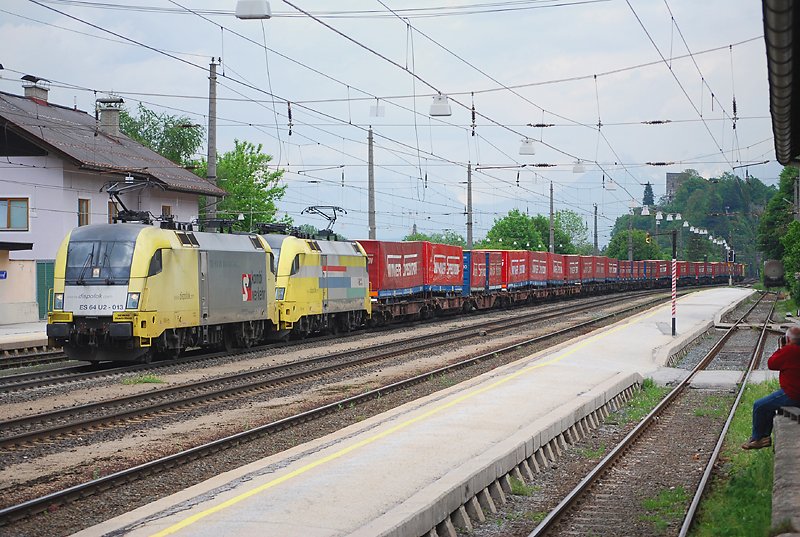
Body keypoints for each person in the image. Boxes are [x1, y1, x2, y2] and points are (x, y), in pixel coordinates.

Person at [741, 325, 800, 450]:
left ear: (789, 339)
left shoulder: (790, 350)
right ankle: (764, 437)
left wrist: (782, 348)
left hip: (793, 393)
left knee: (760, 405)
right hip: (795, 391)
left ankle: (758, 438)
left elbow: (772, 364)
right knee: (770, 405)